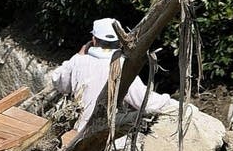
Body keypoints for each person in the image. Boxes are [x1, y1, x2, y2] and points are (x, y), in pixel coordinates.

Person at [47, 17, 180, 134]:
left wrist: (78, 55)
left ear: (93, 40)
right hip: (104, 136)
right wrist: (176, 106)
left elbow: (59, 82)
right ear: (120, 42)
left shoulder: (79, 61)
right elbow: (145, 102)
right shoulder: (122, 66)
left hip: (76, 131)